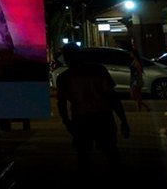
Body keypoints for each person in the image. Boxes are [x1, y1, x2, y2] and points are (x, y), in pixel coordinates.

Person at [55, 43, 130, 176]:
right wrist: (123, 120)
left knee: (83, 155)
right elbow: (112, 97)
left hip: (81, 119)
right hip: (103, 117)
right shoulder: (98, 70)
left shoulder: (64, 77)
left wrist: (67, 122)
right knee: (111, 152)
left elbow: (61, 103)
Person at [129, 47, 151, 112]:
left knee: (136, 96)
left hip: (136, 80)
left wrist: (140, 81)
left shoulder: (137, 63)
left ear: (134, 54)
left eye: (131, 53)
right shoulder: (134, 61)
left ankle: (140, 110)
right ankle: (145, 107)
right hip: (133, 80)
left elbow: (139, 73)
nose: (130, 54)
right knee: (135, 96)